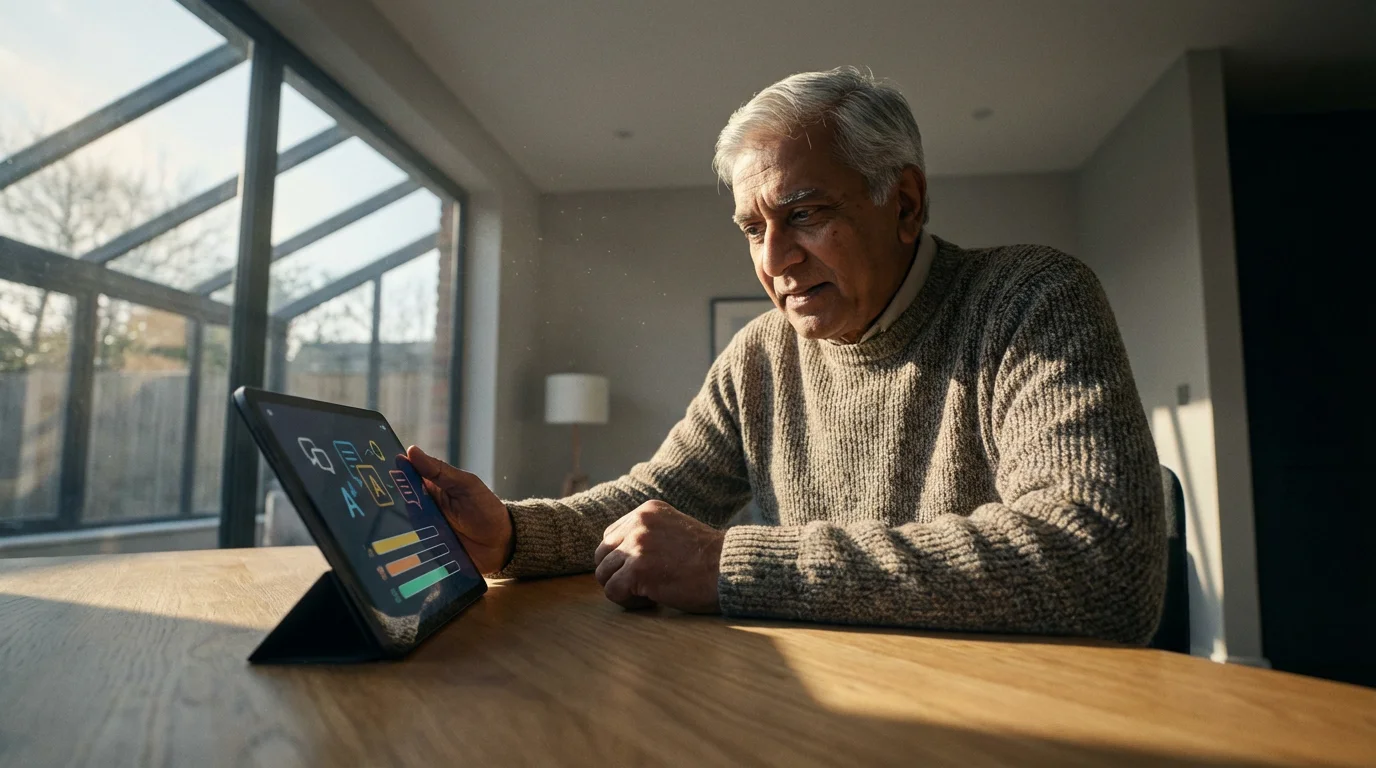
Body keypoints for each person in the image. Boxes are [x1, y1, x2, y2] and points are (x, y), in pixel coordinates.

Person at [407, 66, 1166, 644]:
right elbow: (655, 497)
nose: (775, 261)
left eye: (803, 214)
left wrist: (729, 566)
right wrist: (511, 532)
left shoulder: (1031, 300)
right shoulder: (760, 357)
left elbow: (1099, 561)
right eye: (751, 228)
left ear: (905, 204)